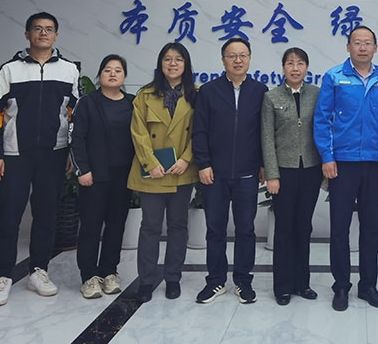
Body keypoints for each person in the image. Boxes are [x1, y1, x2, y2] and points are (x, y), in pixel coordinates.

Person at [0, 12, 81, 307]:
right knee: (8, 217)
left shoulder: (69, 71)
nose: (43, 33)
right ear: (27, 35)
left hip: (54, 154)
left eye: (49, 29)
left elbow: (76, 115)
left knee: (46, 215)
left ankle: (39, 270)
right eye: (37, 28)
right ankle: (2, 275)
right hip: (14, 154)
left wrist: (72, 152)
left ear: (56, 35)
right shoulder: (9, 70)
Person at [313, 25, 378, 312]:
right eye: (357, 42)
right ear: (348, 47)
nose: (362, 47)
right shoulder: (334, 77)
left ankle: (368, 285)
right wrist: (327, 157)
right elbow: (322, 119)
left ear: (375, 48)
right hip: (342, 164)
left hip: (373, 164)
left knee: (373, 228)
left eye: (367, 43)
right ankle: (341, 286)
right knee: (339, 228)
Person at [192, 38, 268, 305]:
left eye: (243, 55)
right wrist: (203, 163)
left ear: (249, 58)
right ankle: (215, 281)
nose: (238, 60)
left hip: (248, 174)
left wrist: (263, 164)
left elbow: (264, 132)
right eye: (232, 56)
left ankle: (243, 281)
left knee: (246, 229)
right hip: (215, 173)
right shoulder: (209, 91)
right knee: (215, 229)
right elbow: (199, 131)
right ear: (223, 59)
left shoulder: (260, 91)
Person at [128, 42, 198, 303]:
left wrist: (186, 159)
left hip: (181, 171)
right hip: (152, 172)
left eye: (178, 59)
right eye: (167, 59)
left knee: (178, 226)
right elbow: (138, 132)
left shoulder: (196, 95)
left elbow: (202, 131)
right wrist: (150, 163)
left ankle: (173, 278)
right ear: (160, 64)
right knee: (150, 227)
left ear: (186, 64)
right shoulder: (145, 95)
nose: (173, 63)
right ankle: (146, 280)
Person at [70, 55, 135, 299]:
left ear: (124, 76)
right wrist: (82, 169)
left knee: (116, 225)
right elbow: (76, 138)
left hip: (123, 176)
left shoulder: (132, 103)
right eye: (107, 70)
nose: (113, 74)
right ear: (100, 75)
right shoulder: (88, 102)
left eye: (118, 70)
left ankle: (109, 271)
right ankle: (88, 276)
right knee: (91, 226)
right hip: (94, 175)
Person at [262, 48, 323, 306]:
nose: (295, 68)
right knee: (284, 228)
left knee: (304, 226)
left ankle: (302, 283)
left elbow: (323, 129)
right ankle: (283, 286)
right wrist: (272, 174)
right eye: (290, 63)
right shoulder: (271, 97)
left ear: (306, 67)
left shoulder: (316, 94)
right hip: (283, 172)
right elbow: (267, 138)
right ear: (283, 68)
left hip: (310, 170)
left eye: (300, 63)